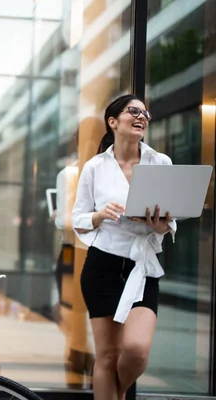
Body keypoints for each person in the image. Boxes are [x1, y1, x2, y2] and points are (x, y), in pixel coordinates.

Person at [72, 94, 176, 400]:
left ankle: (114, 395)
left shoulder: (161, 163)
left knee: (135, 350)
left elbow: (170, 223)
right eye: (134, 111)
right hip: (102, 265)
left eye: (145, 113)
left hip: (142, 267)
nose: (142, 116)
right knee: (106, 356)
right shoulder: (95, 167)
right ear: (113, 121)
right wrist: (101, 214)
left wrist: (159, 224)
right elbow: (78, 218)